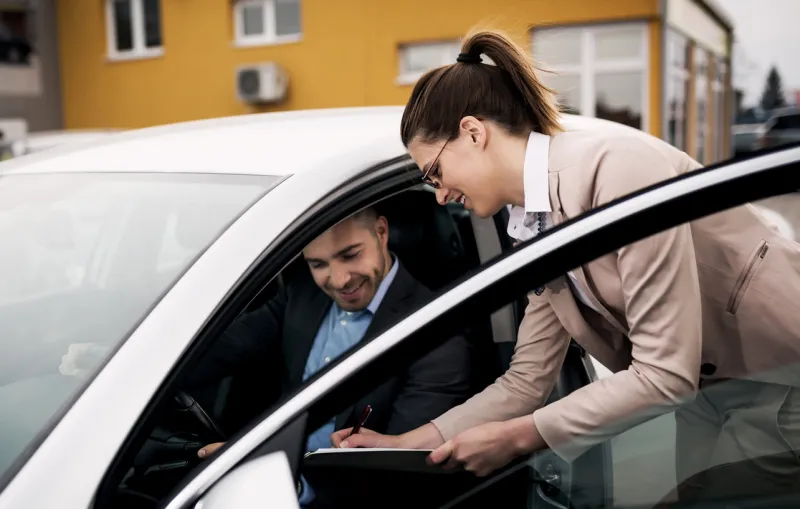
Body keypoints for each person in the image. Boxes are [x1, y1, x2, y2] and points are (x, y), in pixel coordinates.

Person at [332, 27, 800, 502]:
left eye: (435, 171)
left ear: (473, 133)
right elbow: (526, 380)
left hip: (784, 381)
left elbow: (664, 374)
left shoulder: (614, 172)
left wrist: (517, 437)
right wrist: (408, 444)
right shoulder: (531, 226)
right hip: (710, 398)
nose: (440, 193)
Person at [186, 207, 472, 506]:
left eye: (350, 255)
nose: (338, 280)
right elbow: (224, 348)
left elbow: (397, 472)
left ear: (382, 232)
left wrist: (280, 483)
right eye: (318, 263)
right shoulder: (302, 293)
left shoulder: (438, 329)